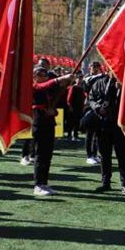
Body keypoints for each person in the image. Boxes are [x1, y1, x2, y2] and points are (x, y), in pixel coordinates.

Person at [85, 71, 125, 195]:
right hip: (102, 124)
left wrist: (122, 90)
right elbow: (90, 98)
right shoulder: (99, 83)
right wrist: (97, 107)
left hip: (119, 126)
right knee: (104, 155)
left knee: (122, 155)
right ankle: (105, 183)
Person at [31, 67, 73, 196]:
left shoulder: (48, 89)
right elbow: (42, 87)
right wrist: (60, 79)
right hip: (39, 123)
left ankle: (44, 183)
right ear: (34, 76)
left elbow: (59, 95)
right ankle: (38, 184)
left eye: (44, 74)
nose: (42, 76)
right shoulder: (33, 86)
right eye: (39, 74)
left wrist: (67, 82)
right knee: (40, 154)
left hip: (49, 122)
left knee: (48, 155)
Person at [65, 74, 86, 141]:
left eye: (81, 78)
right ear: (76, 79)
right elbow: (69, 98)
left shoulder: (82, 88)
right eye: (79, 78)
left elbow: (83, 98)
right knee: (71, 122)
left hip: (79, 107)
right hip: (73, 107)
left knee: (77, 122)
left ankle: (75, 135)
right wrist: (70, 106)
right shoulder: (73, 87)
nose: (80, 80)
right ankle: (69, 135)